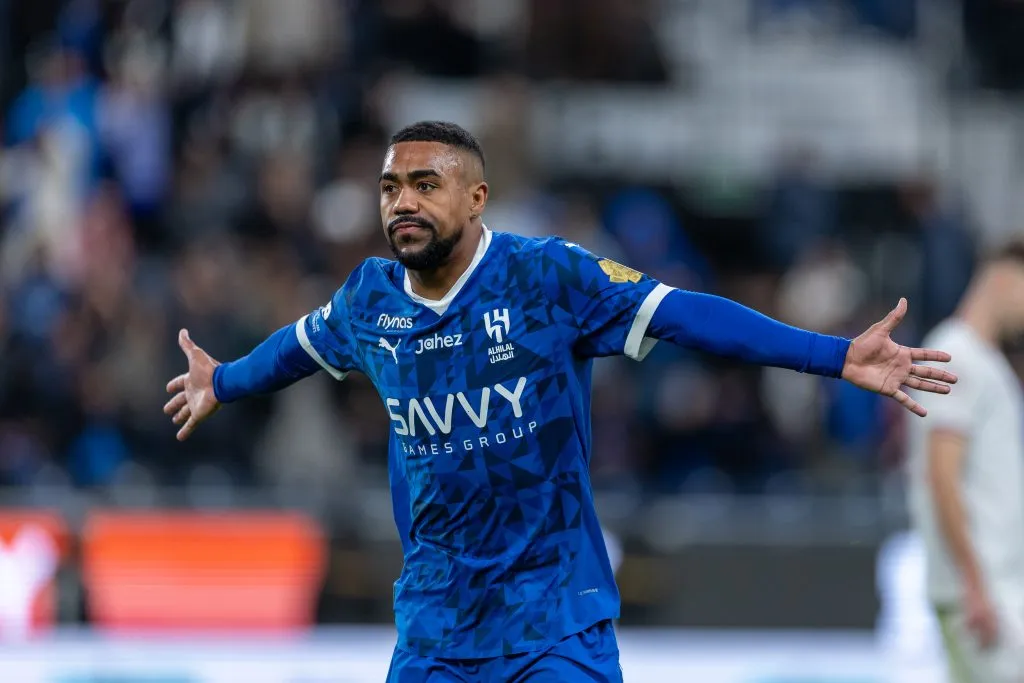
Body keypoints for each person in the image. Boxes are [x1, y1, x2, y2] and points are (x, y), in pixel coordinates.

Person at [164, 121, 956, 682]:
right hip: (436, 629)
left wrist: (831, 353)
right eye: (390, 187)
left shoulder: (547, 278)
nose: (402, 202)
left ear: (476, 198)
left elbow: (683, 314)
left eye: (424, 184)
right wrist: (221, 381)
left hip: (555, 623)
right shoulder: (369, 301)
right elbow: (296, 349)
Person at [906, 241, 1024, 683]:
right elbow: (942, 473)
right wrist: (974, 582)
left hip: (993, 585)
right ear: (1002, 278)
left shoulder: (985, 361)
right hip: (982, 591)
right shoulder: (954, 353)